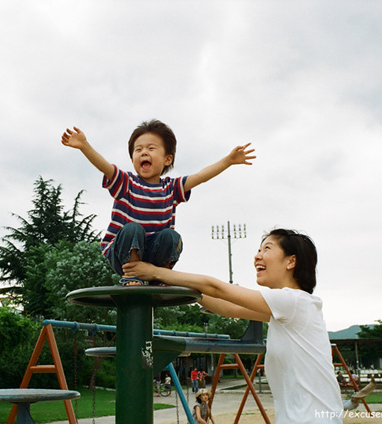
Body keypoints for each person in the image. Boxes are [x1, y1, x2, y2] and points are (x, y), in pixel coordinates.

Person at [123, 228, 345, 422]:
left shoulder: (294, 302)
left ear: (291, 261)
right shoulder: (286, 309)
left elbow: (217, 288)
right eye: (259, 250)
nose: (257, 256)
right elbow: (226, 307)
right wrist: (166, 282)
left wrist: (155, 271)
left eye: (267, 249)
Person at [61, 120, 255, 285]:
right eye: (138, 150)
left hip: (153, 253)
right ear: (132, 158)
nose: (144, 152)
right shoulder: (126, 183)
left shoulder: (171, 188)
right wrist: (85, 146)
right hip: (122, 253)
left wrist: (228, 160)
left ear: (167, 159)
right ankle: (133, 274)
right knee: (133, 229)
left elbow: (200, 177)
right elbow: (105, 167)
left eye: (151, 148)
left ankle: (163, 275)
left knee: (171, 236)